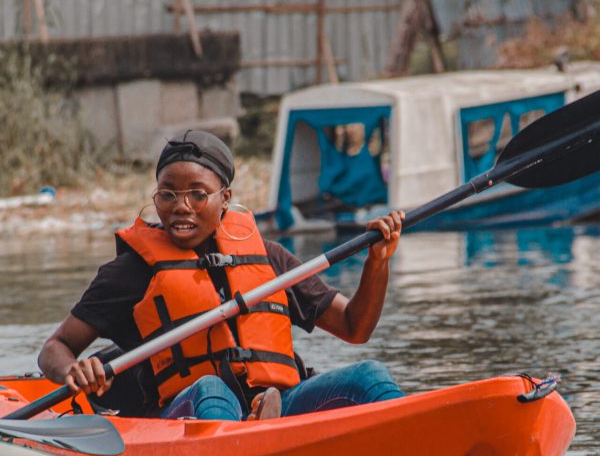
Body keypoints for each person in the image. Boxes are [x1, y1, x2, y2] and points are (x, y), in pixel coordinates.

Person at [38, 130, 405, 421]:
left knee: (368, 376)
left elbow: (355, 328)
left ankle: (419, 442)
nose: (181, 207)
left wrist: (378, 262)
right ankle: (248, 438)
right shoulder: (130, 273)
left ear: (225, 198)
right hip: (190, 415)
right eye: (167, 195)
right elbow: (54, 349)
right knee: (211, 389)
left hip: (285, 402)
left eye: (198, 195)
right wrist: (74, 369)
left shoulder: (268, 257)